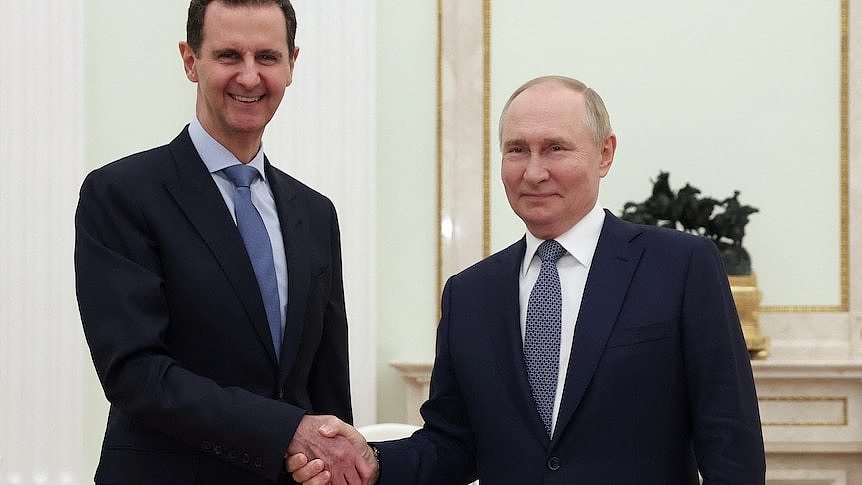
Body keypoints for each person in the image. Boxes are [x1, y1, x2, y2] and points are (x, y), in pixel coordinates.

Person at [287, 76, 766, 484]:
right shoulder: (469, 294)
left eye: (555, 148)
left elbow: (730, 440)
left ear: (604, 154)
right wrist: (373, 462)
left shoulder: (681, 266)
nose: (534, 172)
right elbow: (453, 444)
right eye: (517, 150)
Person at [74, 1, 375, 483]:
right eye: (229, 55)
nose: (250, 77)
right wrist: (287, 431)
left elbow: (327, 387)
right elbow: (136, 374)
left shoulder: (316, 214)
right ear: (190, 61)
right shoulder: (121, 195)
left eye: (268, 57)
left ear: (292, 64)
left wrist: (332, 458)